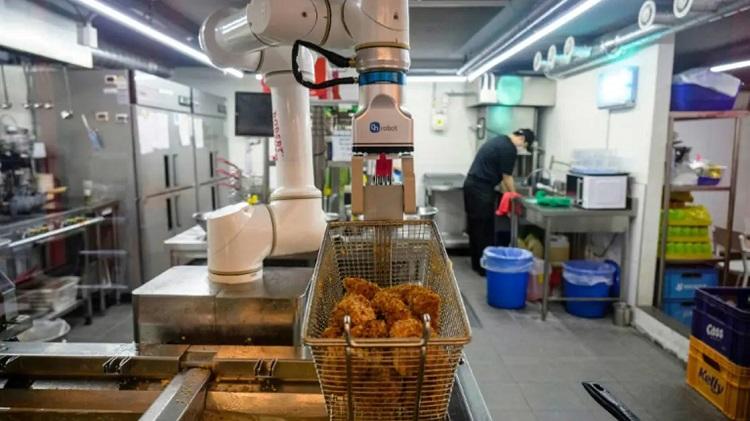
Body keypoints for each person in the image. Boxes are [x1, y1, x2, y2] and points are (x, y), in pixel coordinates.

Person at [463, 128, 535, 275]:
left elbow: (502, 178)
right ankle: (485, 268)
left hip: (472, 186)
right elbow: (507, 177)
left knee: (476, 228)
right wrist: (514, 196)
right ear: (522, 139)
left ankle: (477, 264)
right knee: (484, 230)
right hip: (481, 190)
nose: (522, 149)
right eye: (524, 146)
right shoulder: (509, 149)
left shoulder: (500, 141)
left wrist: (507, 194)